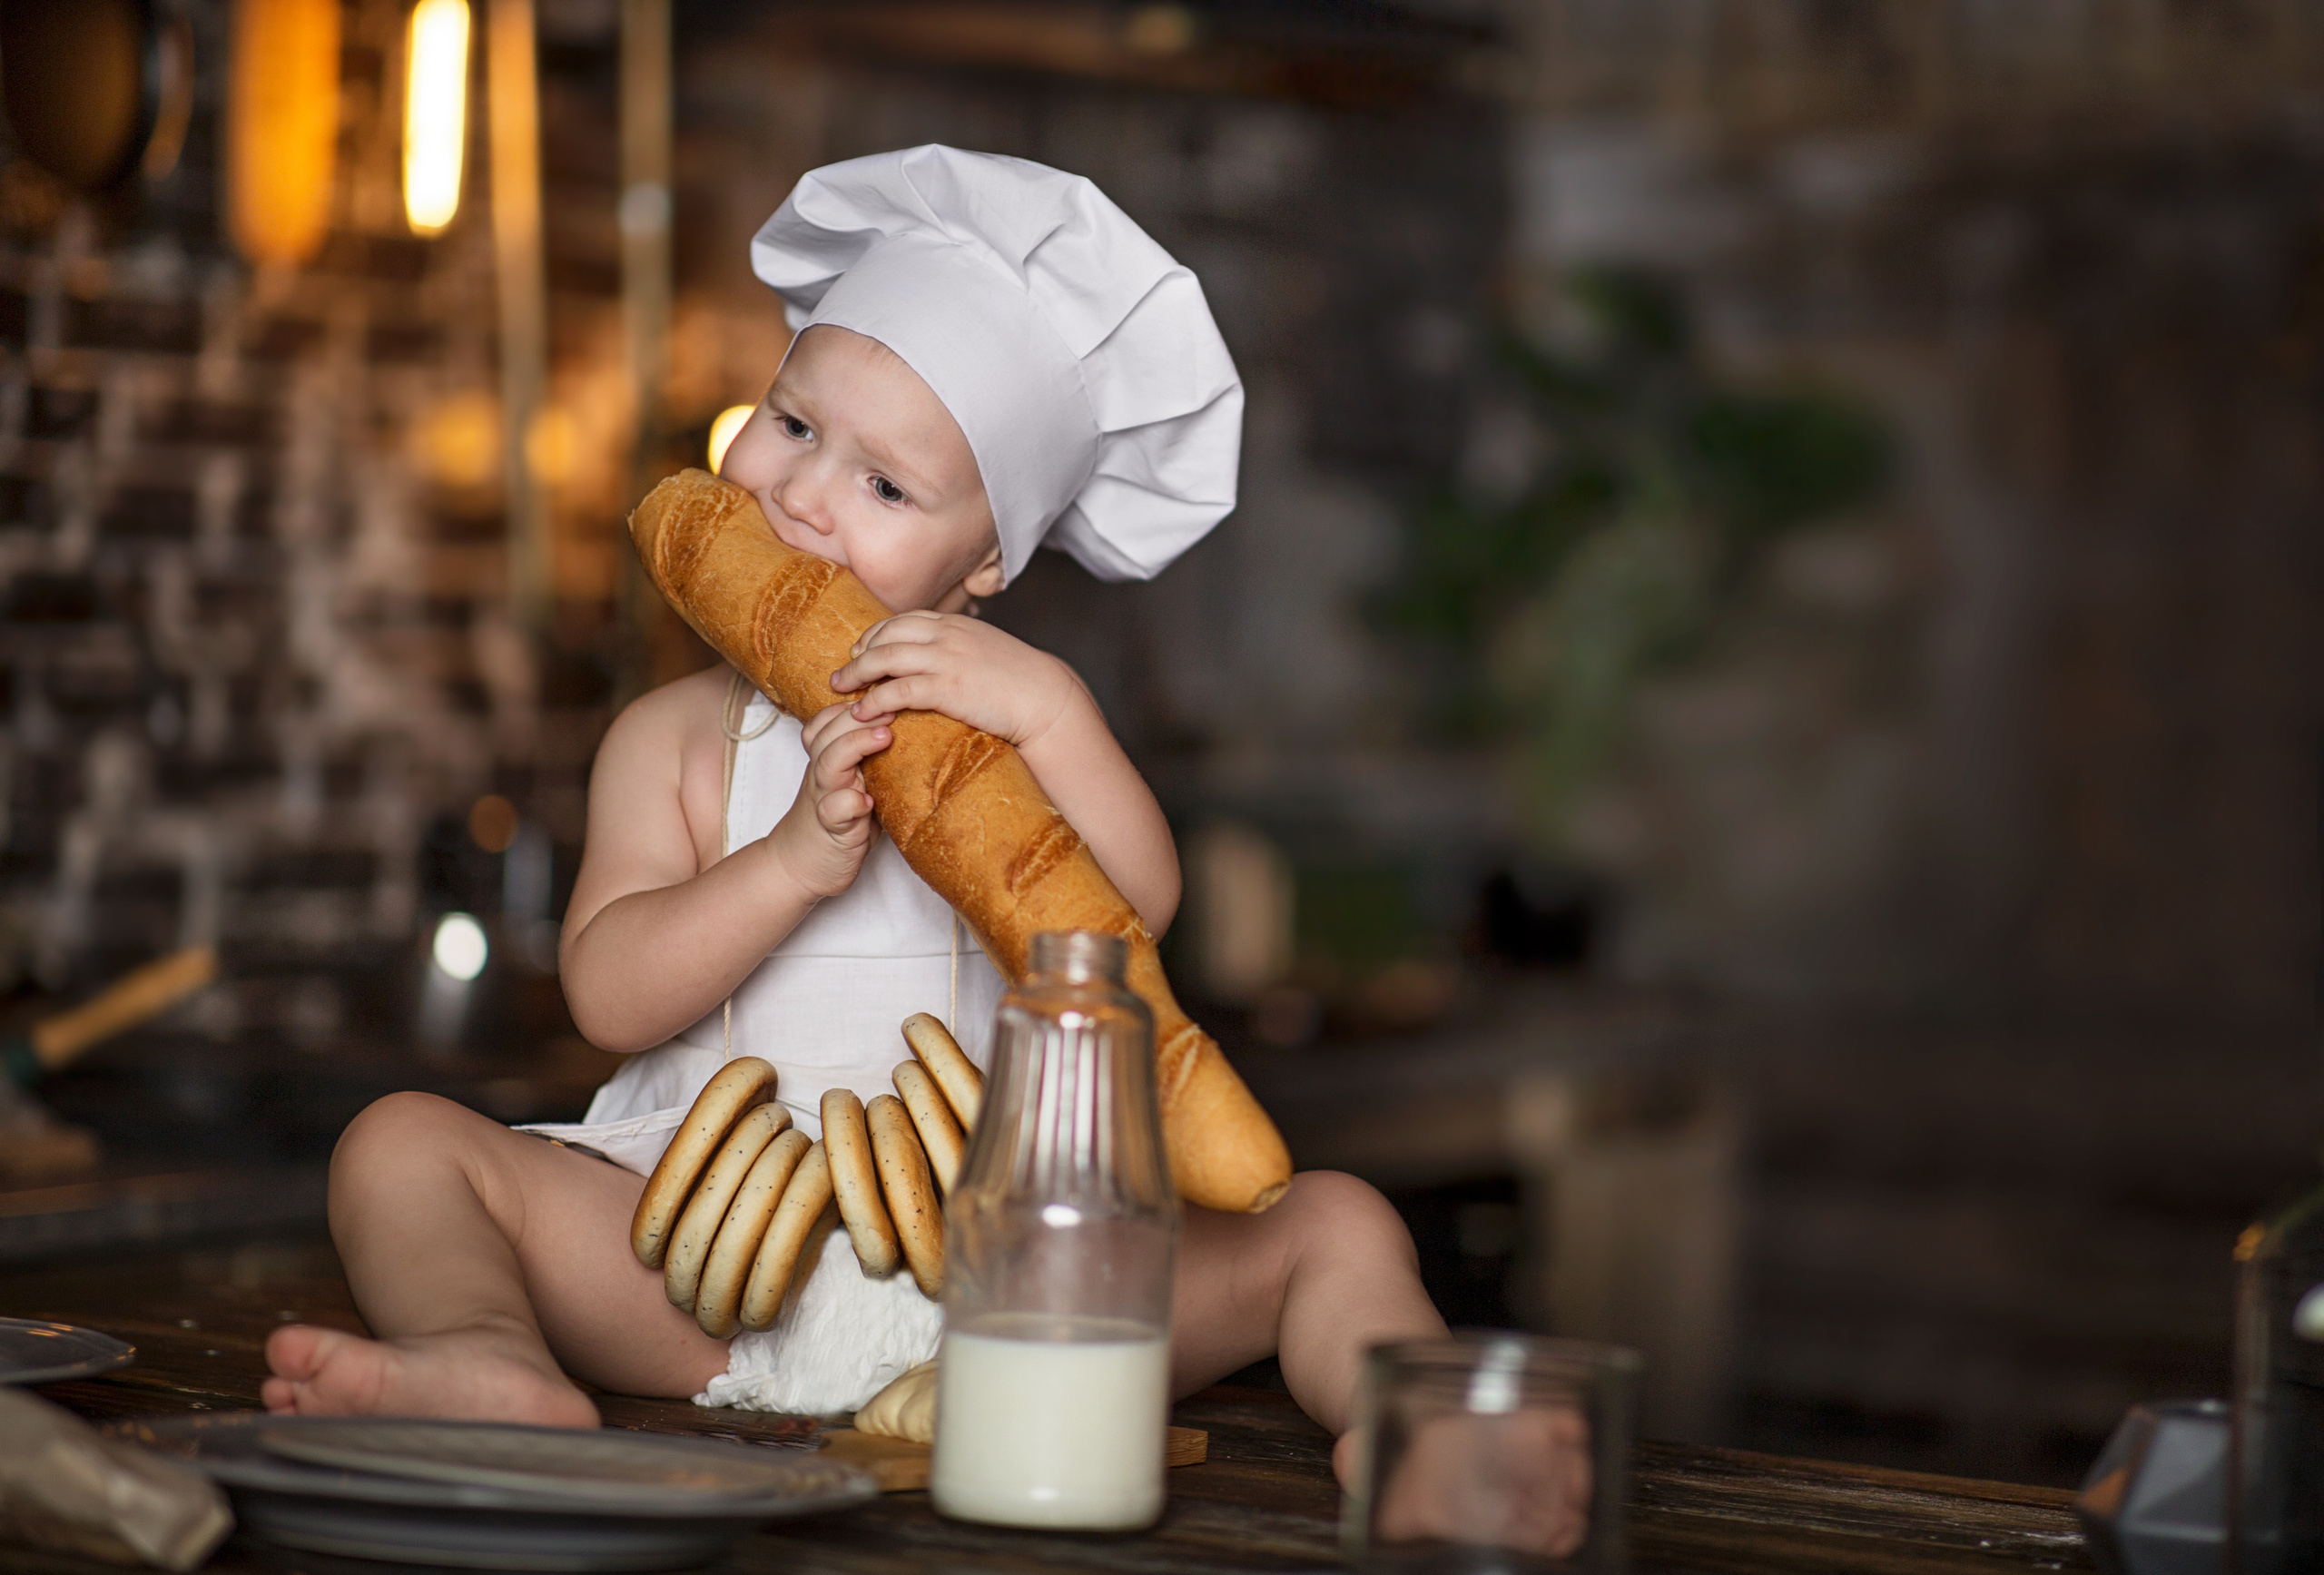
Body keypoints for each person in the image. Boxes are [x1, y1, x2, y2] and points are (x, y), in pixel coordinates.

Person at [261, 145, 1445, 1482]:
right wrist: (783, 867)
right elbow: (606, 992)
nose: (804, 496)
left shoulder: (1025, 727)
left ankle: (1415, 1428)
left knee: (1334, 1220)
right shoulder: (671, 742)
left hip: (1014, 1283)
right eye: (794, 422)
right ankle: (493, 1360)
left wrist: (1052, 716)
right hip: (700, 1266)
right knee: (399, 1146)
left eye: (886, 487)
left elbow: (1135, 918)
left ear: (985, 560)